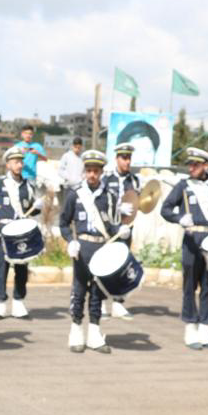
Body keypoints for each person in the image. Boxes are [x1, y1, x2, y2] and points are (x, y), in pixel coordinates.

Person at [159, 147, 208, 351]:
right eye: (190, 164)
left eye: (195, 164)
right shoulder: (183, 186)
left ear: (206, 165)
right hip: (192, 240)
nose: (191, 168)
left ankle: (205, 327)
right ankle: (190, 327)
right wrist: (179, 218)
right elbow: (165, 209)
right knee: (190, 285)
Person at [59, 149, 131, 353]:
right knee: (79, 290)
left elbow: (112, 225)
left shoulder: (109, 196)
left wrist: (121, 230)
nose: (92, 175)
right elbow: (63, 223)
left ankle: (94, 333)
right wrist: (70, 241)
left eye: (96, 171)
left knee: (98, 292)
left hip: (102, 248)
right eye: (89, 170)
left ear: (101, 172)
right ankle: (76, 331)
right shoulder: (75, 195)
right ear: (84, 172)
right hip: (82, 248)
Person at [0, 145, 44, 318]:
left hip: (22, 231)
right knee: (3, 266)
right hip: (5, 230)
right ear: (8, 164)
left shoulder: (27, 186)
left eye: (21, 162)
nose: (19, 165)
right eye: (16, 162)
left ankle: (18, 301)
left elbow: (31, 210)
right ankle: (0, 302)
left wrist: (38, 207)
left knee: (22, 267)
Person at [102, 141, 141, 320]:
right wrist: (118, 208)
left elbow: (138, 202)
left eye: (129, 158)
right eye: (124, 158)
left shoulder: (134, 180)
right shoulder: (107, 178)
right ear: (117, 159)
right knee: (106, 265)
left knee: (123, 265)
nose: (127, 161)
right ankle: (102, 303)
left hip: (126, 229)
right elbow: (101, 203)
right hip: (109, 228)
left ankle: (118, 304)